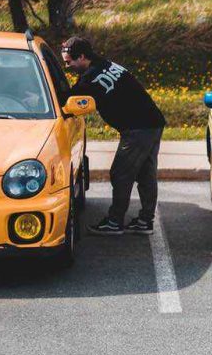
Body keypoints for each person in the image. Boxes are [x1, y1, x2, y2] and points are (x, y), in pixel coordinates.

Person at [62, 36, 165, 236]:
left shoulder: (90, 79)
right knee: (146, 174)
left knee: (121, 173)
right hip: (153, 121)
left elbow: (67, 100)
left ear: (82, 57)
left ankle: (114, 222)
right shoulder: (105, 63)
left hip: (138, 128)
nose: (68, 67)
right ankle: (145, 221)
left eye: (69, 62)